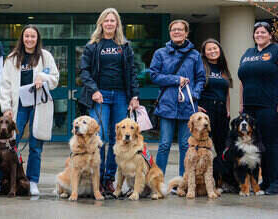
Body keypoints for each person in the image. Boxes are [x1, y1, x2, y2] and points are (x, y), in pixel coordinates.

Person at [78, 8, 139, 193]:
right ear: (101, 24)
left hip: (121, 95)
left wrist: (134, 95)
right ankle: (96, 179)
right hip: (100, 96)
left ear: (117, 24)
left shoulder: (125, 46)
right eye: (107, 20)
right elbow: (84, 71)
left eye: (113, 21)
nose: (110, 23)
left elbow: (132, 72)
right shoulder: (92, 46)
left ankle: (108, 179)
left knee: (118, 138)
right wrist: (94, 90)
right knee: (100, 137)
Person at [238, 21, 278, 195]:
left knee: (269, 143)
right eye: (257, 32)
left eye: (263, 32)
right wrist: (241, 104)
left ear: (270, 35)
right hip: (250, 107)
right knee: (256, 144)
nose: (260, 35)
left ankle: (275, 184)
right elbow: (243, 80)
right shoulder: (248, 53)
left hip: (271, 104)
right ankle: (264, 181)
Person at [0, 25, 60, 195]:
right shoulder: (12, 58)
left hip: (38, 105)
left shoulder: (45, 56)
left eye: (33, 36)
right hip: (17, 106)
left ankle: (32, 181)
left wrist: (44, 77)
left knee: (35, 145)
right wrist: (6, 108)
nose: (29, 40)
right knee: (10, 143)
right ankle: (3, 180)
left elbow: (55, 79)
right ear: (22, 38)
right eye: (26, 36)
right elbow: (5, 85)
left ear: (37, 38)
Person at [149, 19, 205, 176]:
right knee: (164, 144)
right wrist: (176, 80)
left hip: (188, 106)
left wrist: (194, 95)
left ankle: (183, 181)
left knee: (185, 145)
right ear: (170, 33)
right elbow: (153, 76)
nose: (177, 32)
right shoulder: (160, 53)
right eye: (174, 30)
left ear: (186, 33)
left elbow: (201, 78)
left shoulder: (194, 55)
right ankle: (158, 181)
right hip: (167, 104)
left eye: (180, 30)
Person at [199, 38, 233, 157]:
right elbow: (193, 87)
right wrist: (196, 106)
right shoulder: (201, 67)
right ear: (204, 52)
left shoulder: (223, 68)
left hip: (221, 109)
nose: (212, 51)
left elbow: (226, 91)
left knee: (223, 145)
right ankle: (202, 174)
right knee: (203, 145)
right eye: (209, 49)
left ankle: (221, 174)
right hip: (206, 109)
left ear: (220, 50)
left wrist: (228, 109)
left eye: (215, 48)